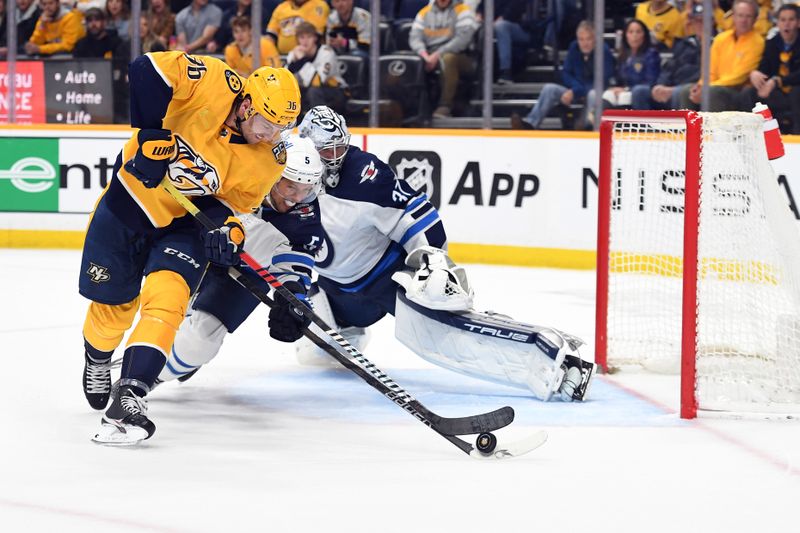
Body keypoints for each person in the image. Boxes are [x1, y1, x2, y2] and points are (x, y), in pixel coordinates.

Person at [159, 105, 597, 402]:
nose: (335, 159)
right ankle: (169, 361)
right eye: (324, 151)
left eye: (339, 149)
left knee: (438, 333)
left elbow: (417, 216)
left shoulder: (364, 174)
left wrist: (431, 259)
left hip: (380, 278)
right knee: (314, 353)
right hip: (327, 289)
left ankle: (546, 355)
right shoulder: (273, 171)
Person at [82, 53, 301, 445]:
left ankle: (130, 394)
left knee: (167, 303)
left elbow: (231, 206)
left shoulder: (270, 158)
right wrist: (151, 135)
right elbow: (145, 69)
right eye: (267, 125)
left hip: (184, 225)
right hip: (132, 201)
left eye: (281, 130)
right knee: (113, 311)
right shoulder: (213, 79)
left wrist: (227, 231)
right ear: (247, 104)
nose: (271, 136)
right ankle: (98, 359)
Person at [158, 135, 325, 383]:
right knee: (164, 311)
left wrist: (293, 295)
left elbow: (298, 255)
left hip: (248, 271)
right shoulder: (240, 174)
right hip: (203, 248)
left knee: (200, 342)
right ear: (272, 177)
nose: (298, 198)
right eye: (291, 186)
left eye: (306, 189)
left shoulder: (304, 211)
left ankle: (147, 379)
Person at [510, 20, 614, 130]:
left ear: (595, 39)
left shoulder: (604, 51)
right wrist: (574, 90)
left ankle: (585, 126)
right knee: (549, 89)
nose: (585, 43)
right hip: (576, 91)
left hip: (593, 93)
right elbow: (565, 73)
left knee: (593, 94)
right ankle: (530, 124)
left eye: (588, 39)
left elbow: (602, 80)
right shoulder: (574, 47)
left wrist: (576, 90)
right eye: (581, 39)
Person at [678, 0, 764, 112]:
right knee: (687, 91)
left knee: (713, 92)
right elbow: (710, 70)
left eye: (748, 16)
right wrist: (700, 85)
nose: (743, 20)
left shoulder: (758, 42)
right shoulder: (721, 38)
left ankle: (712, 129)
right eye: (740, 15)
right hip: (715, 86)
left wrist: (707, 88)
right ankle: (689, 128)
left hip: (738, 90)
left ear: (755, 19)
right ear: (733, 16)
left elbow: (740, 76)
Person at [409, 0, 477, 118]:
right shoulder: (424, 13)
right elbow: (414, 37)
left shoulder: (463, 10)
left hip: (461, 56)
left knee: (448, 59)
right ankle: (412, 107)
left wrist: (438, 54)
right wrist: (424, 55)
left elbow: (463, 39)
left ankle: (445, 106)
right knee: (412, 61)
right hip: (429, 53)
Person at [738, 3, 800, 133]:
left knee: (796, 93)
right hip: (776, 92)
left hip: (795, 89)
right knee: (748, 93)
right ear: (777, 23)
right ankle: (751, 133)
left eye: (791, 19)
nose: (786, 24)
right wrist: (755, 74)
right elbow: (764, 69)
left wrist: (778, 81)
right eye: (782, 20)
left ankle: (797, 135)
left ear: (798, 22)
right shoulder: (772, 43)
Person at [634, 3, 705, 111]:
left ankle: (679, 127)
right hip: (672, 85)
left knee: (680, 93)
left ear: (712, 22)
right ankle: (644, 127)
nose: (699, 25)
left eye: (703, 21)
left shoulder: (716, 43)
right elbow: (670, 66)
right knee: (640, 91)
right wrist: (661, 85)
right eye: (696, 21)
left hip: (691, 87)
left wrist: (672, 89)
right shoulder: (684, 43)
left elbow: (703, 73)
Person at [286, 21, 348, 115]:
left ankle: (320, 125)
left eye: (309, 37)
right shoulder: (294, 54)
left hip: (335, 91)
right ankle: (291, 126)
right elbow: (285, 80)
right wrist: (294, 63)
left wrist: (302, 60)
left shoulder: (327, 53)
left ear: (315, 38)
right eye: (302, 37)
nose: (305, 41)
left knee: (313, 91)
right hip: (309, 91)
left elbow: (317, 81)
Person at [602, 18, 660, 112]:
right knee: (608, 94)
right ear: (626, 36)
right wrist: (614, 87)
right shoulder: (623, 55)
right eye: (631, 32)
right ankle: (604, 124)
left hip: (641, 91)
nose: (634, 35)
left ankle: (625, 125)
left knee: (624, 96)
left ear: (644, 35)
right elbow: (618, 78)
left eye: (638, 32)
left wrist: (627, 89)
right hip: (626, 89)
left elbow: (651, 80)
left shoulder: (651, 54)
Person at [492, 0, 534, 84]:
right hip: (493, 27)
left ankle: (505, 72)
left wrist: (494, 23)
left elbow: (513, 11)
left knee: (501, 26)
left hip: (523, 30)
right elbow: (481, 9)